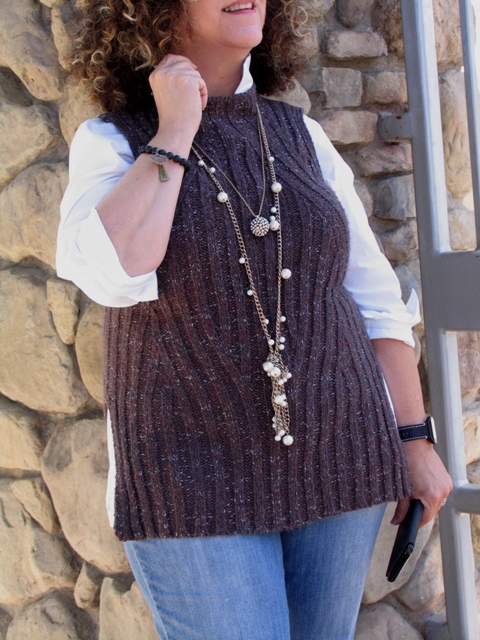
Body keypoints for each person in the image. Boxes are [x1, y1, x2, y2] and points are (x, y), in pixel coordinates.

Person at [57, 1, 452, 638]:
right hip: (189, 481)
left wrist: (414, 439)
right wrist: (175, 130)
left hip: (338, 457)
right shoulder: (112, 142)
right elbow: (115, 270)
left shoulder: (302, 136)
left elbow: (375, 301)